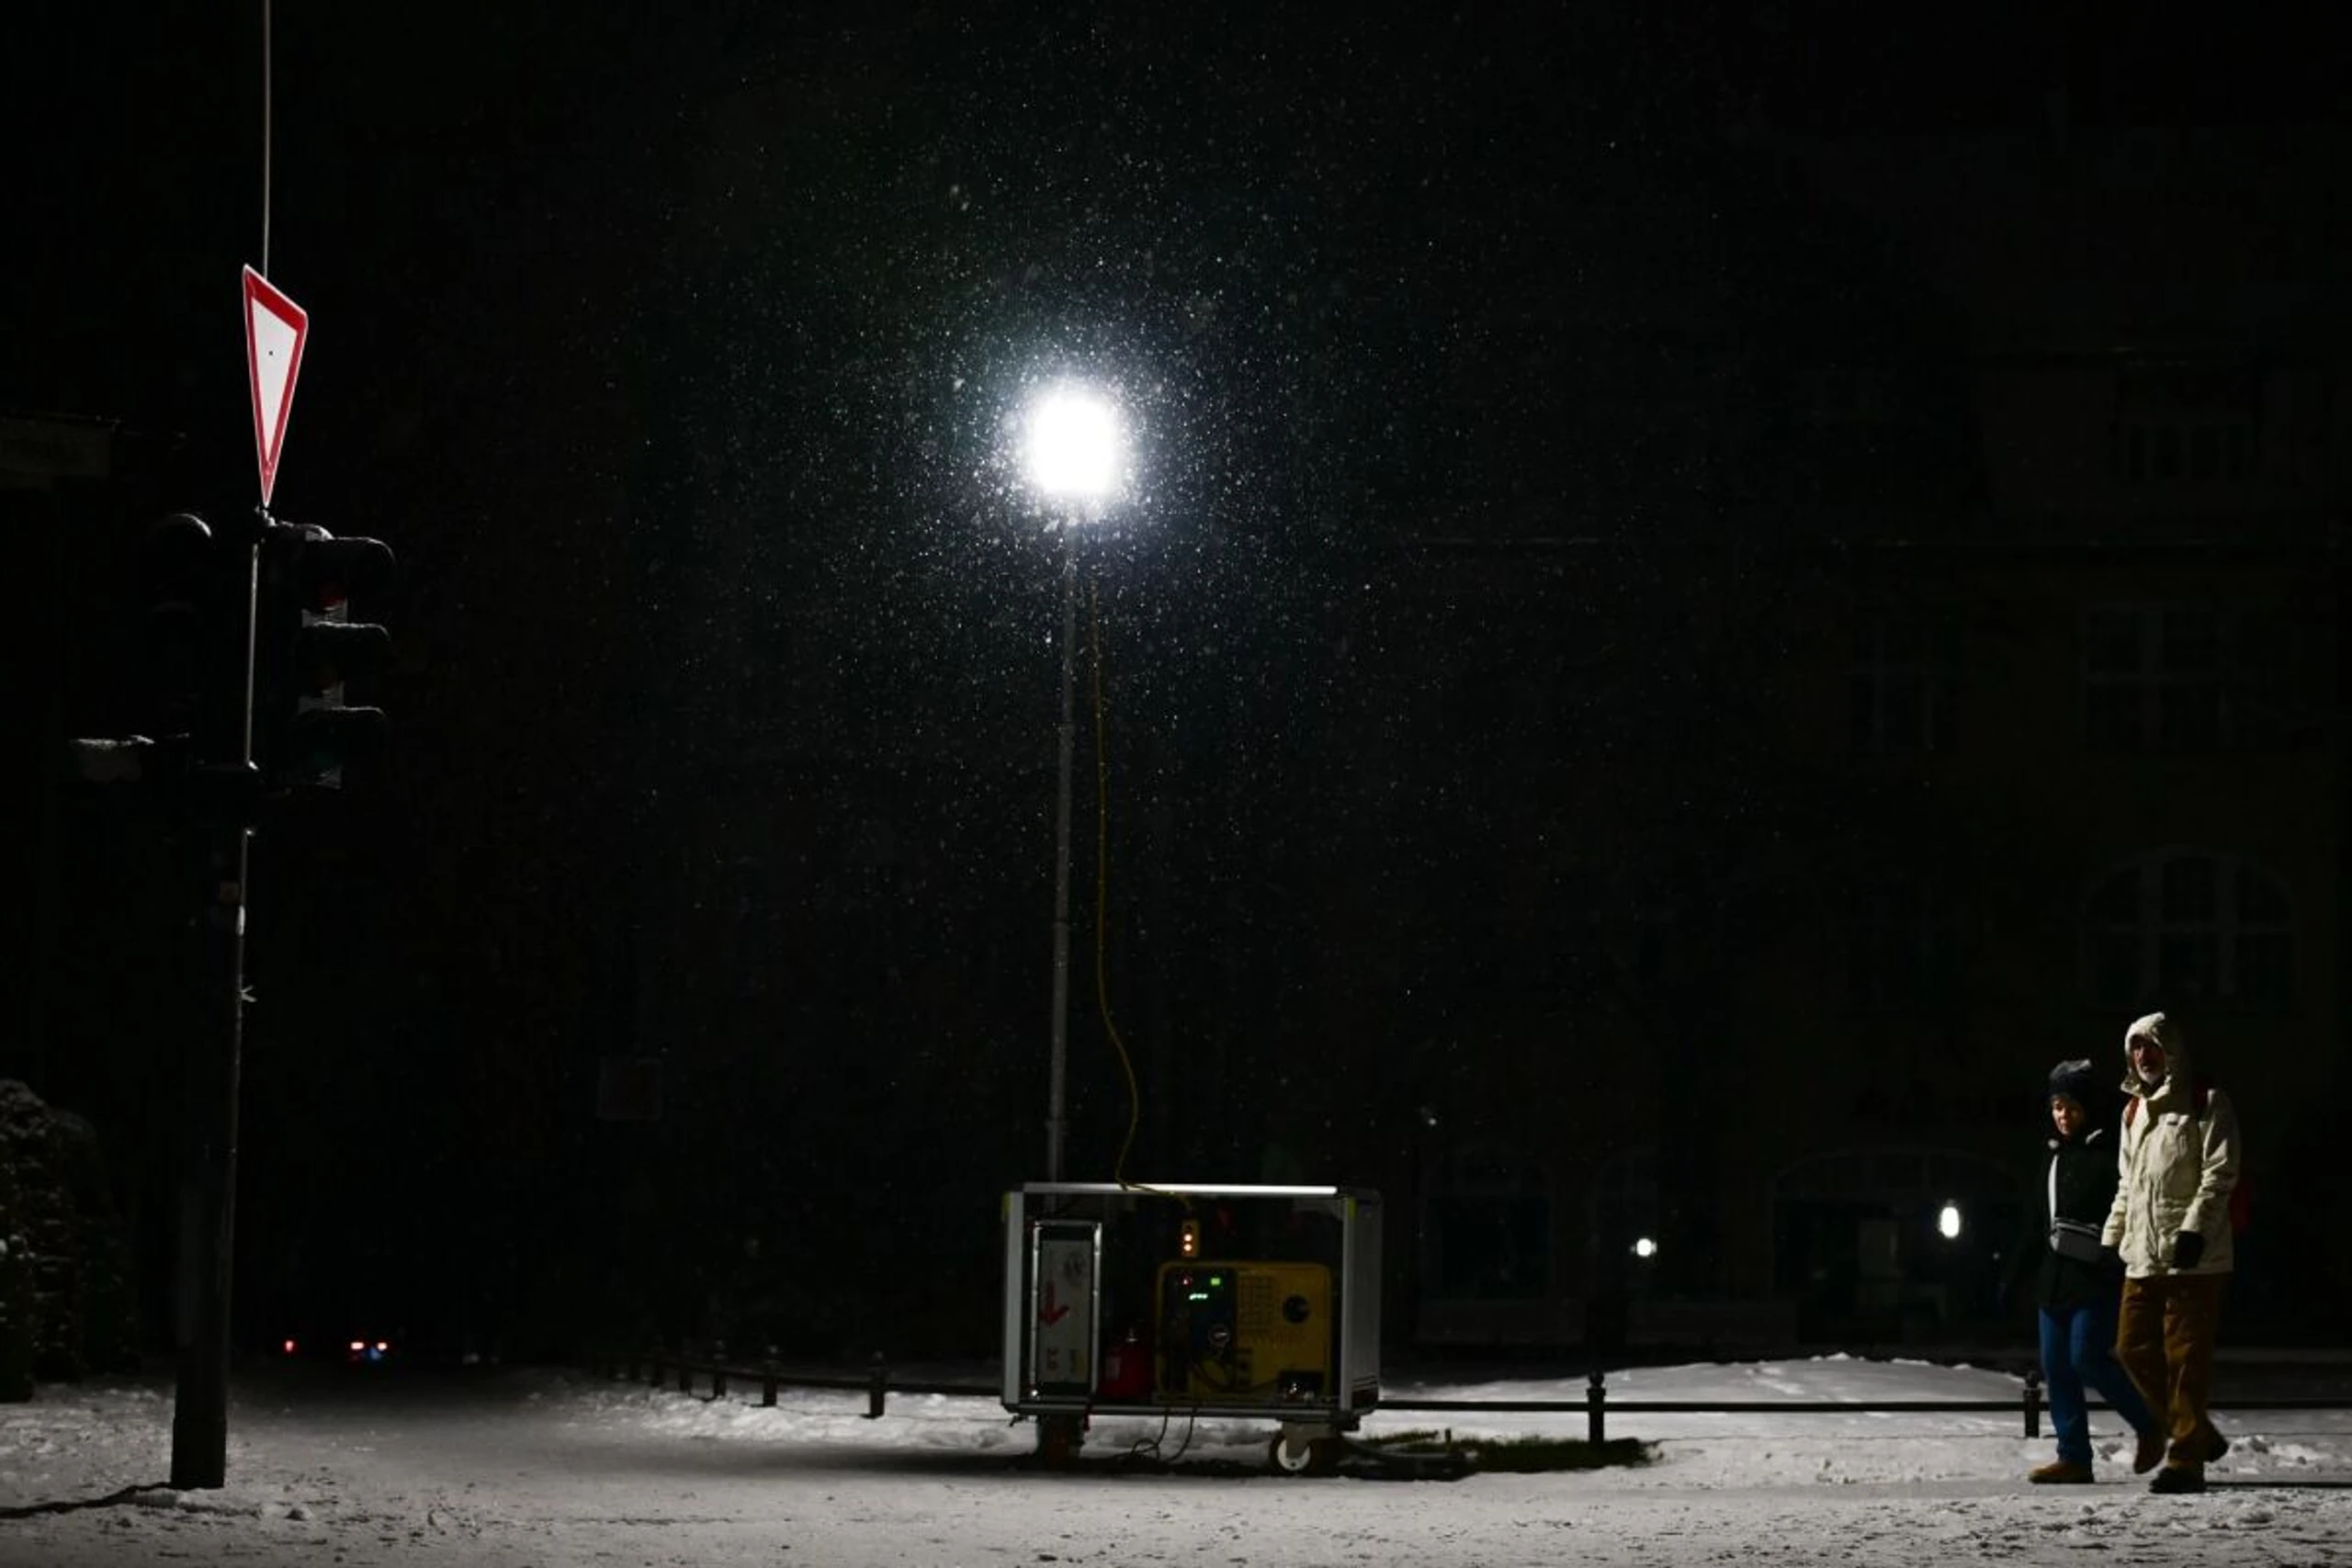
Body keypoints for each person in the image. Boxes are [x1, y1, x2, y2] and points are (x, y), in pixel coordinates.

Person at [2102, 1010, 2242, 1494]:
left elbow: (2219, 1175)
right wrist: (2112, 1238)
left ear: (2171, 1050)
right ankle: (2195, 1431)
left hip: (2193, 1258)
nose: (2143, 1056)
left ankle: (2186, 1460)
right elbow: (2128, 1184)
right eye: (2135, 1047)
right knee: (2130, 1346)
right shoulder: (2133, 1111)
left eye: (2151, 1046)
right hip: (2143, 1253)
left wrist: (2193, 1231)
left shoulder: (2206, 1102)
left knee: (2184, 1358)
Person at [2007, 1059, 2162, 1483]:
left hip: (2094, 1275)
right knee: (2057, 1366)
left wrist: (2114, 1257)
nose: (2063, 1115)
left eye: (2071, 1106)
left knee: (2086, 1358)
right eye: (2057, 1106)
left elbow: (2127, 1208)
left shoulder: (2111, 1155)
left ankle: (2149, 1424)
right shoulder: (2052, 1156)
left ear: (2088, 1107)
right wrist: (2014, 1277)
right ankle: (2074, 1455)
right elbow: (2035, 1222)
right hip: (2053, 1279)